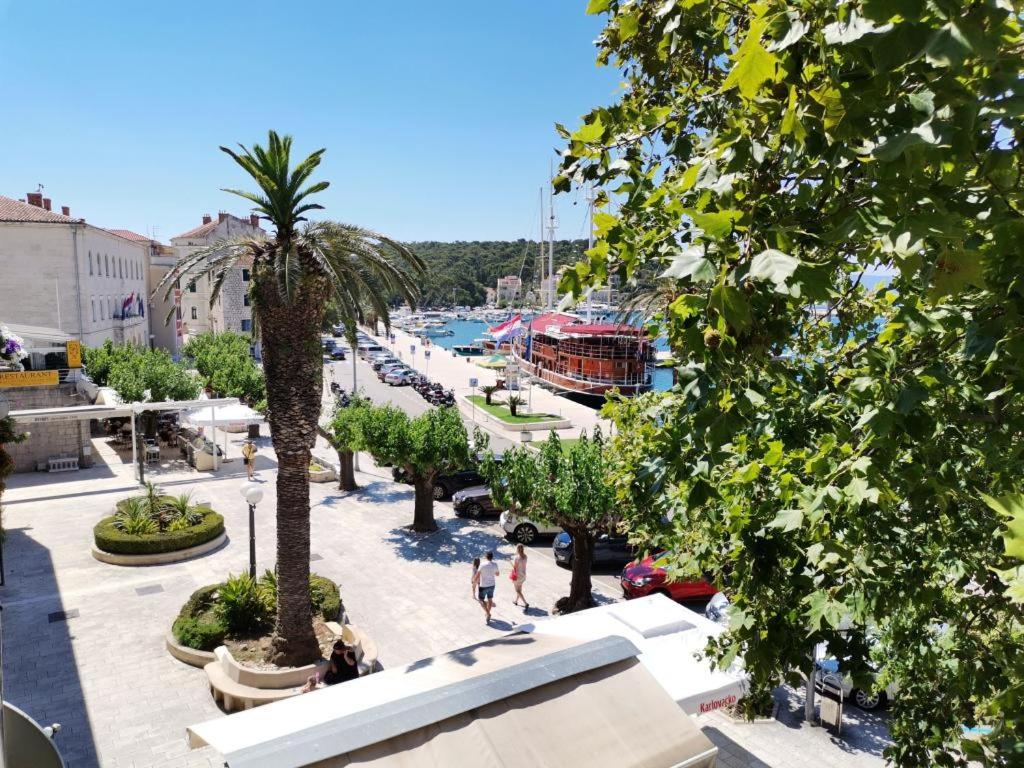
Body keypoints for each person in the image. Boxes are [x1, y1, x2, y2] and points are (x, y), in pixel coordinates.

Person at [477, 551, 499, 624]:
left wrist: (474, 580)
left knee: (481, 600)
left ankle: (488, 613)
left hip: (483, 585)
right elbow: (497, 574)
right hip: (492, 584)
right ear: (492, 557)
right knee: (490, 599)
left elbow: (478, 574)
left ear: (486, 557)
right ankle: (487, 613)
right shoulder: (495, 564)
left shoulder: (482, 565)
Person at [511, 544, 529, 609]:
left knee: (517, 590)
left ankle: (525, 603)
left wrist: (509, 562)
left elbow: (515, 567)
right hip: (523, 575)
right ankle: (516, 601)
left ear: (518, 549)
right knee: (519, 590)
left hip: (518, 576)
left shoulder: (517, 558)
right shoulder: (526, 556)